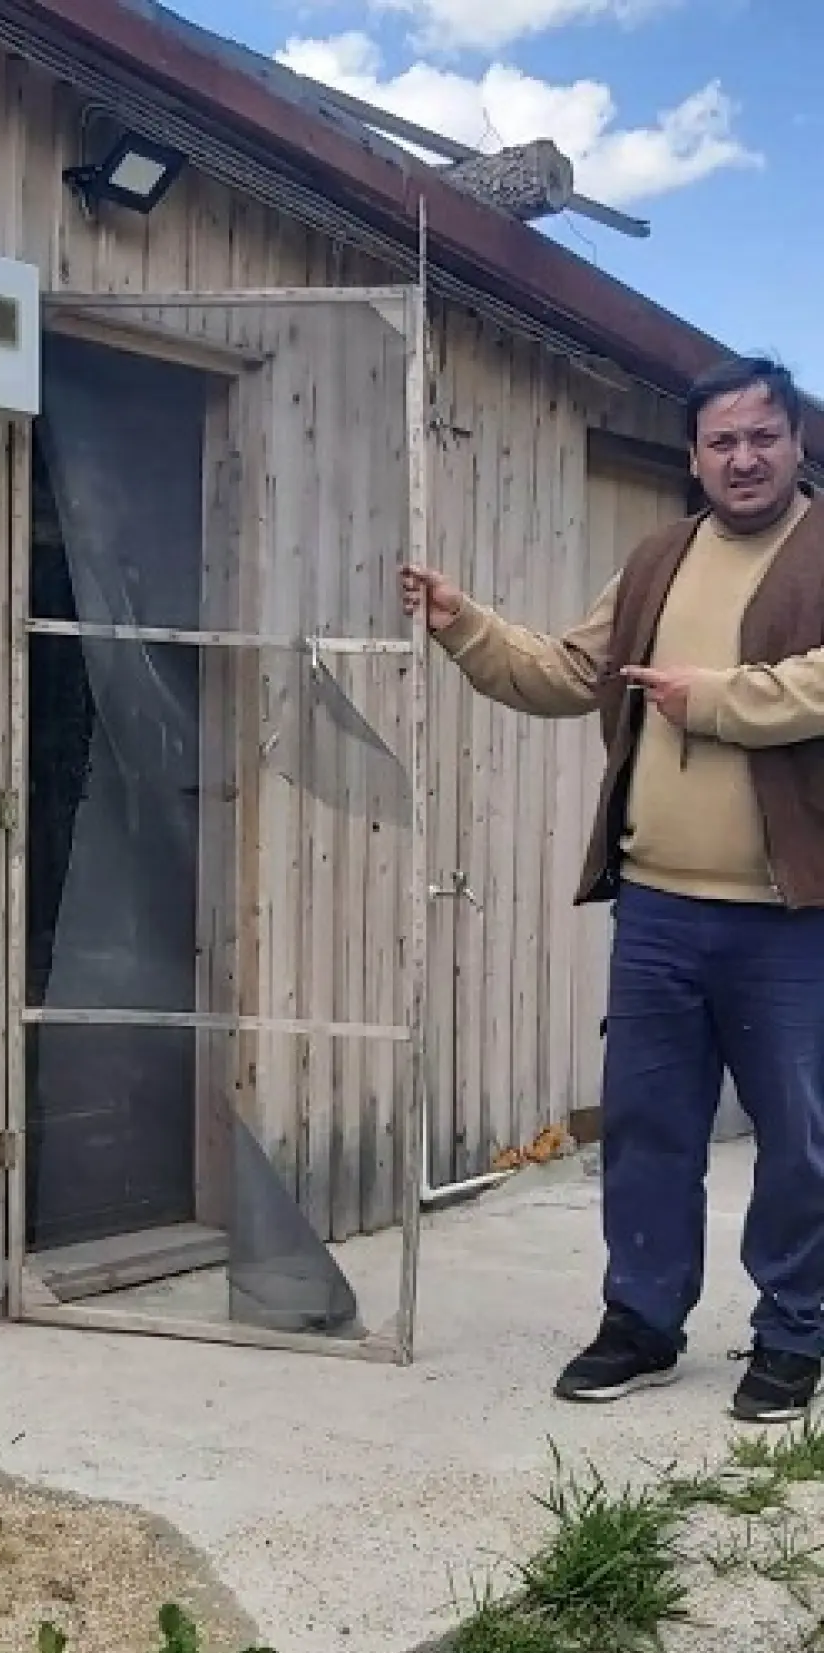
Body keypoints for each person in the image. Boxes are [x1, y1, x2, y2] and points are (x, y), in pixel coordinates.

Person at [402, 356, 824, 1424]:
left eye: (762, 436)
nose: (742, 458)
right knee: (646, 1128)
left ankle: (792, 1332)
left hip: (791, 915)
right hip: (656, 908)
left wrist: (711, 699)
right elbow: (564, 672)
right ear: (693, 455)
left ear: (795, 443)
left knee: (800, 1137)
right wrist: (462, 623)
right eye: (721, 441)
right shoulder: (655, 561)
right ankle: (641, 1320)